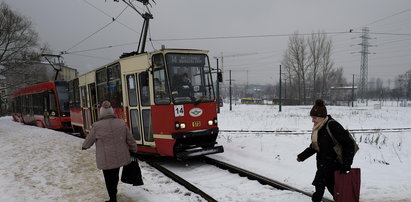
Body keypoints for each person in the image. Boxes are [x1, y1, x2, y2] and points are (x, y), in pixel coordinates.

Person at [297, 99, 355, 202]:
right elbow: (315, 146)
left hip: (334, 164)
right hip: (324, 164)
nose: (312, 120)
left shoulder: (332, 126)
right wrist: (302, 156)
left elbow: (349, 144)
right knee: (333, 189)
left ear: (322, 117)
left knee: (320, 185)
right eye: (312, 117)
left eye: (314, 118)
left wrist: (347, 164)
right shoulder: (319, 128)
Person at [82, 100, 137, 202]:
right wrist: (134, 148)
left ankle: (112, 198)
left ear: (101, 113)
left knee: (108, 178)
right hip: (120, 157)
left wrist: (85, 146)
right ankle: (113, 195)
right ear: (112, 112)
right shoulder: (121, 123)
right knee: (115, 176)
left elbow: (89, 140)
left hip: (105, 159)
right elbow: (130, 138)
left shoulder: (97, 126)